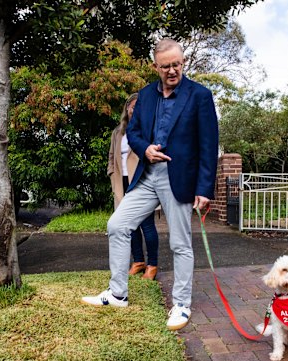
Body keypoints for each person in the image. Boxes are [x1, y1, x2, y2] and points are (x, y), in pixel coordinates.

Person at [82, 38, 219, 331]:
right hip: (146, 176)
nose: (172, 71)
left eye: (177, 64)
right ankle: (118, 293)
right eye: (166, 66)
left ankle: (181, 304)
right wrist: (144, 149)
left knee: (180, 243)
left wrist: (204, 189)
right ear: (155, 66)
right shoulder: (144, 96)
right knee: (117, 225)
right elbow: (133, 131)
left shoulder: (200, 95)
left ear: (183, 62)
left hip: (178, 177)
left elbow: (209, 145)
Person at [108, 93, 159, 280]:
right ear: (127, 108)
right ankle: (138, 261)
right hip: (121, 183)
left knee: (147, 225)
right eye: (132, 105)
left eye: (139, 106)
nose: (134, 109)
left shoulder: (148, 131)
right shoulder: (118, 132)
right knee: (127, 225)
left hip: (140, 181)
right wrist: (111, 173)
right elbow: (112, 156)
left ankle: (152, 265)